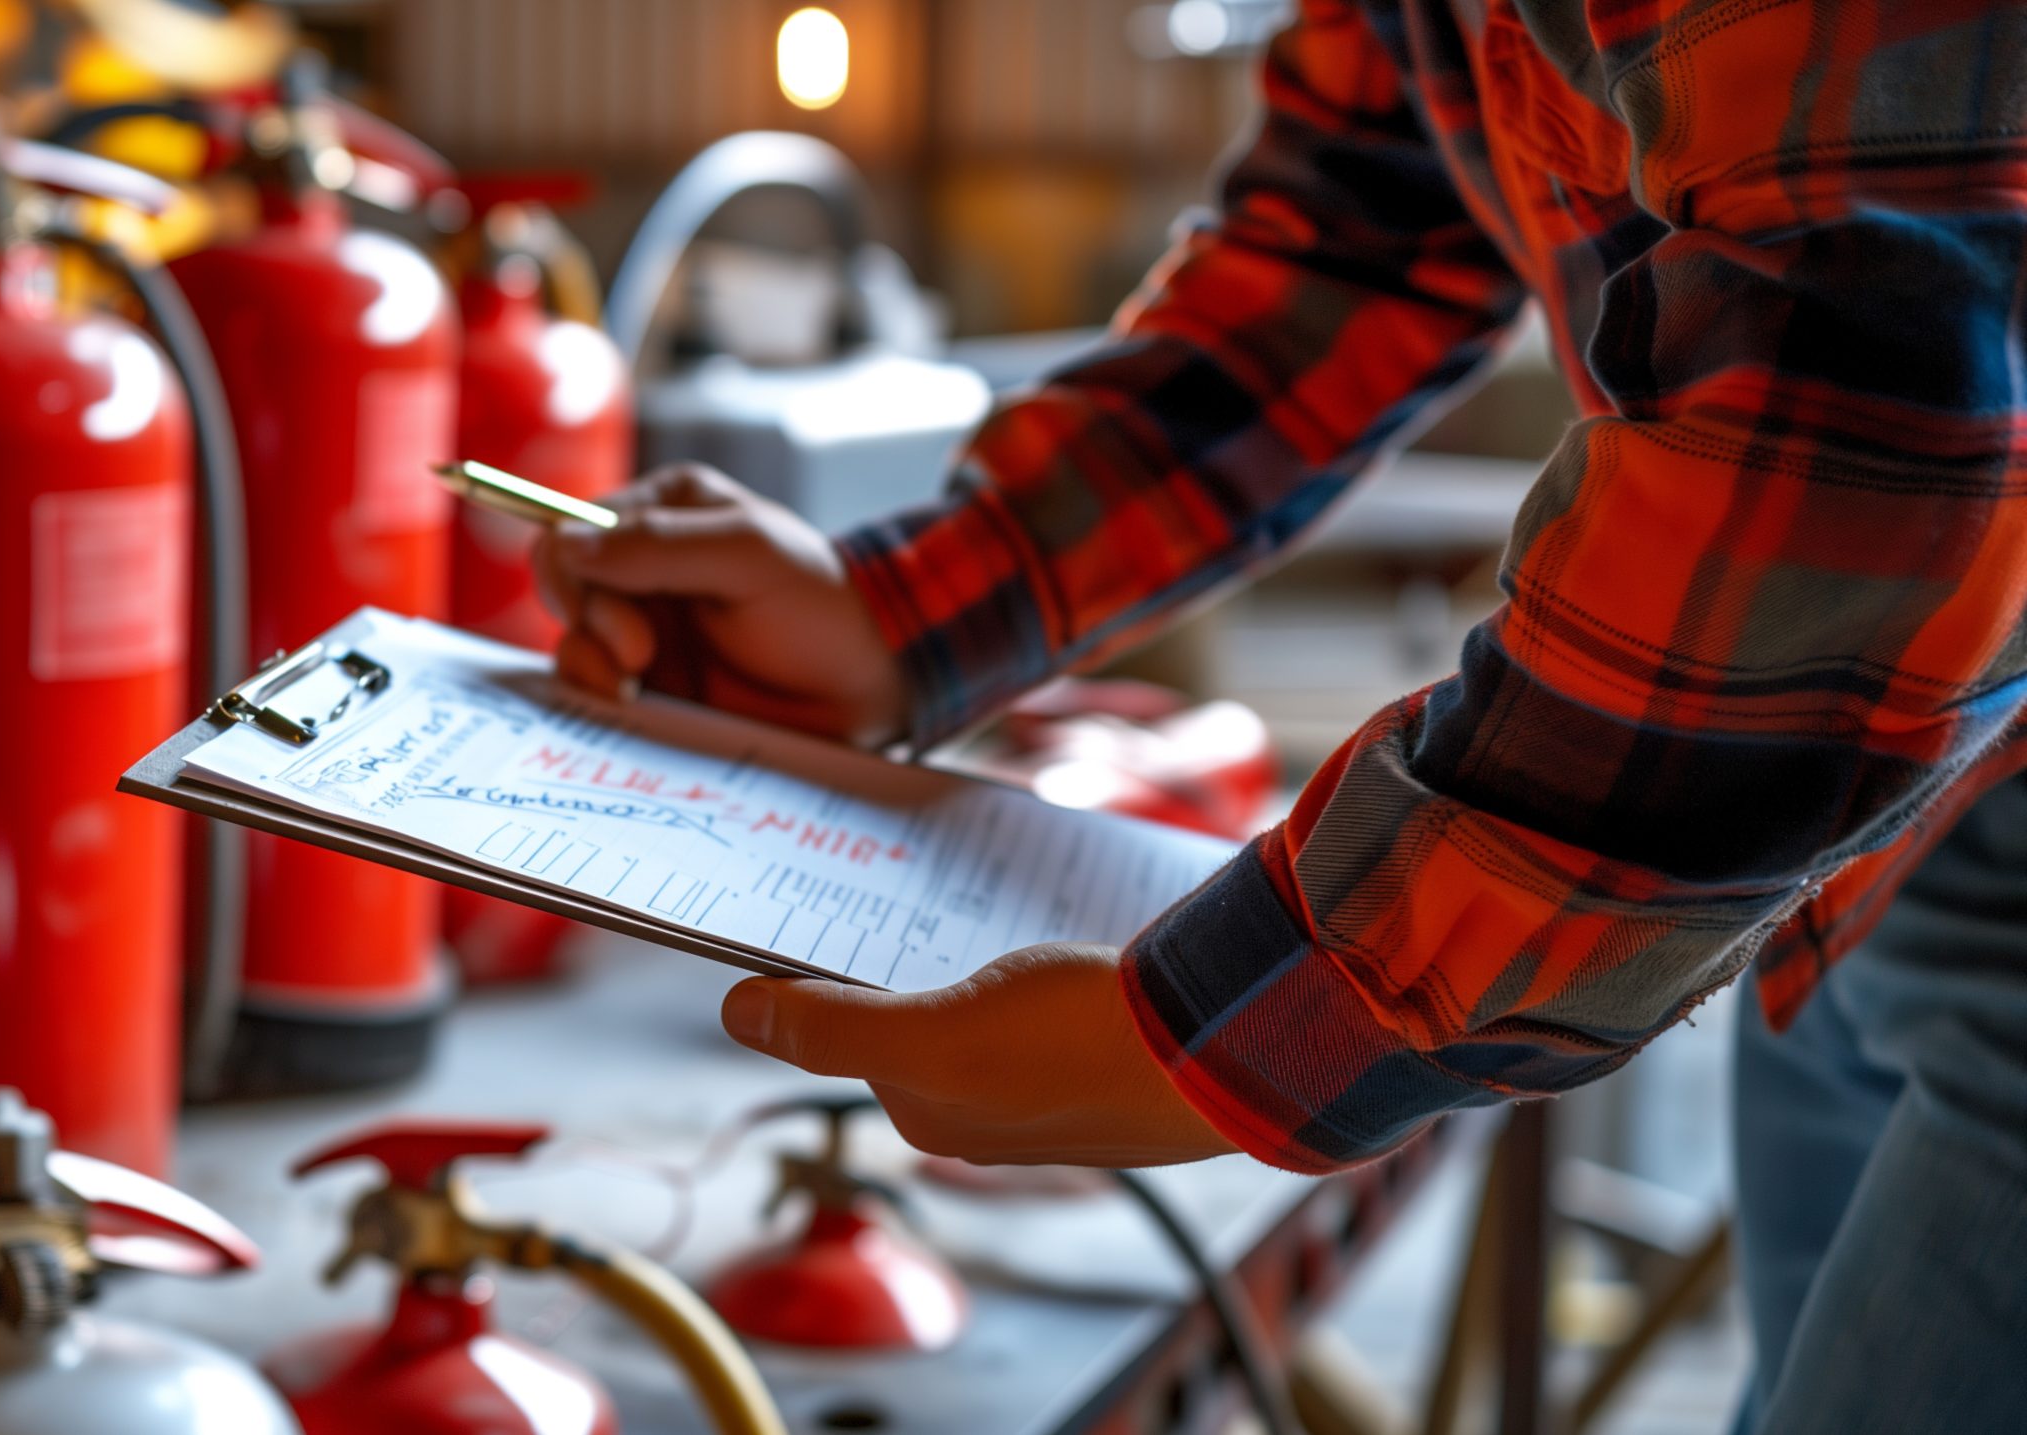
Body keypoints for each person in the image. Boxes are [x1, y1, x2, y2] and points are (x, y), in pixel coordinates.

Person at [534, 0, 2027, 1429]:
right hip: (1860, 848)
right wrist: (911, 607)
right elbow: (1345, 250)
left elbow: (1867, 412)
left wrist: (1266, 1020)